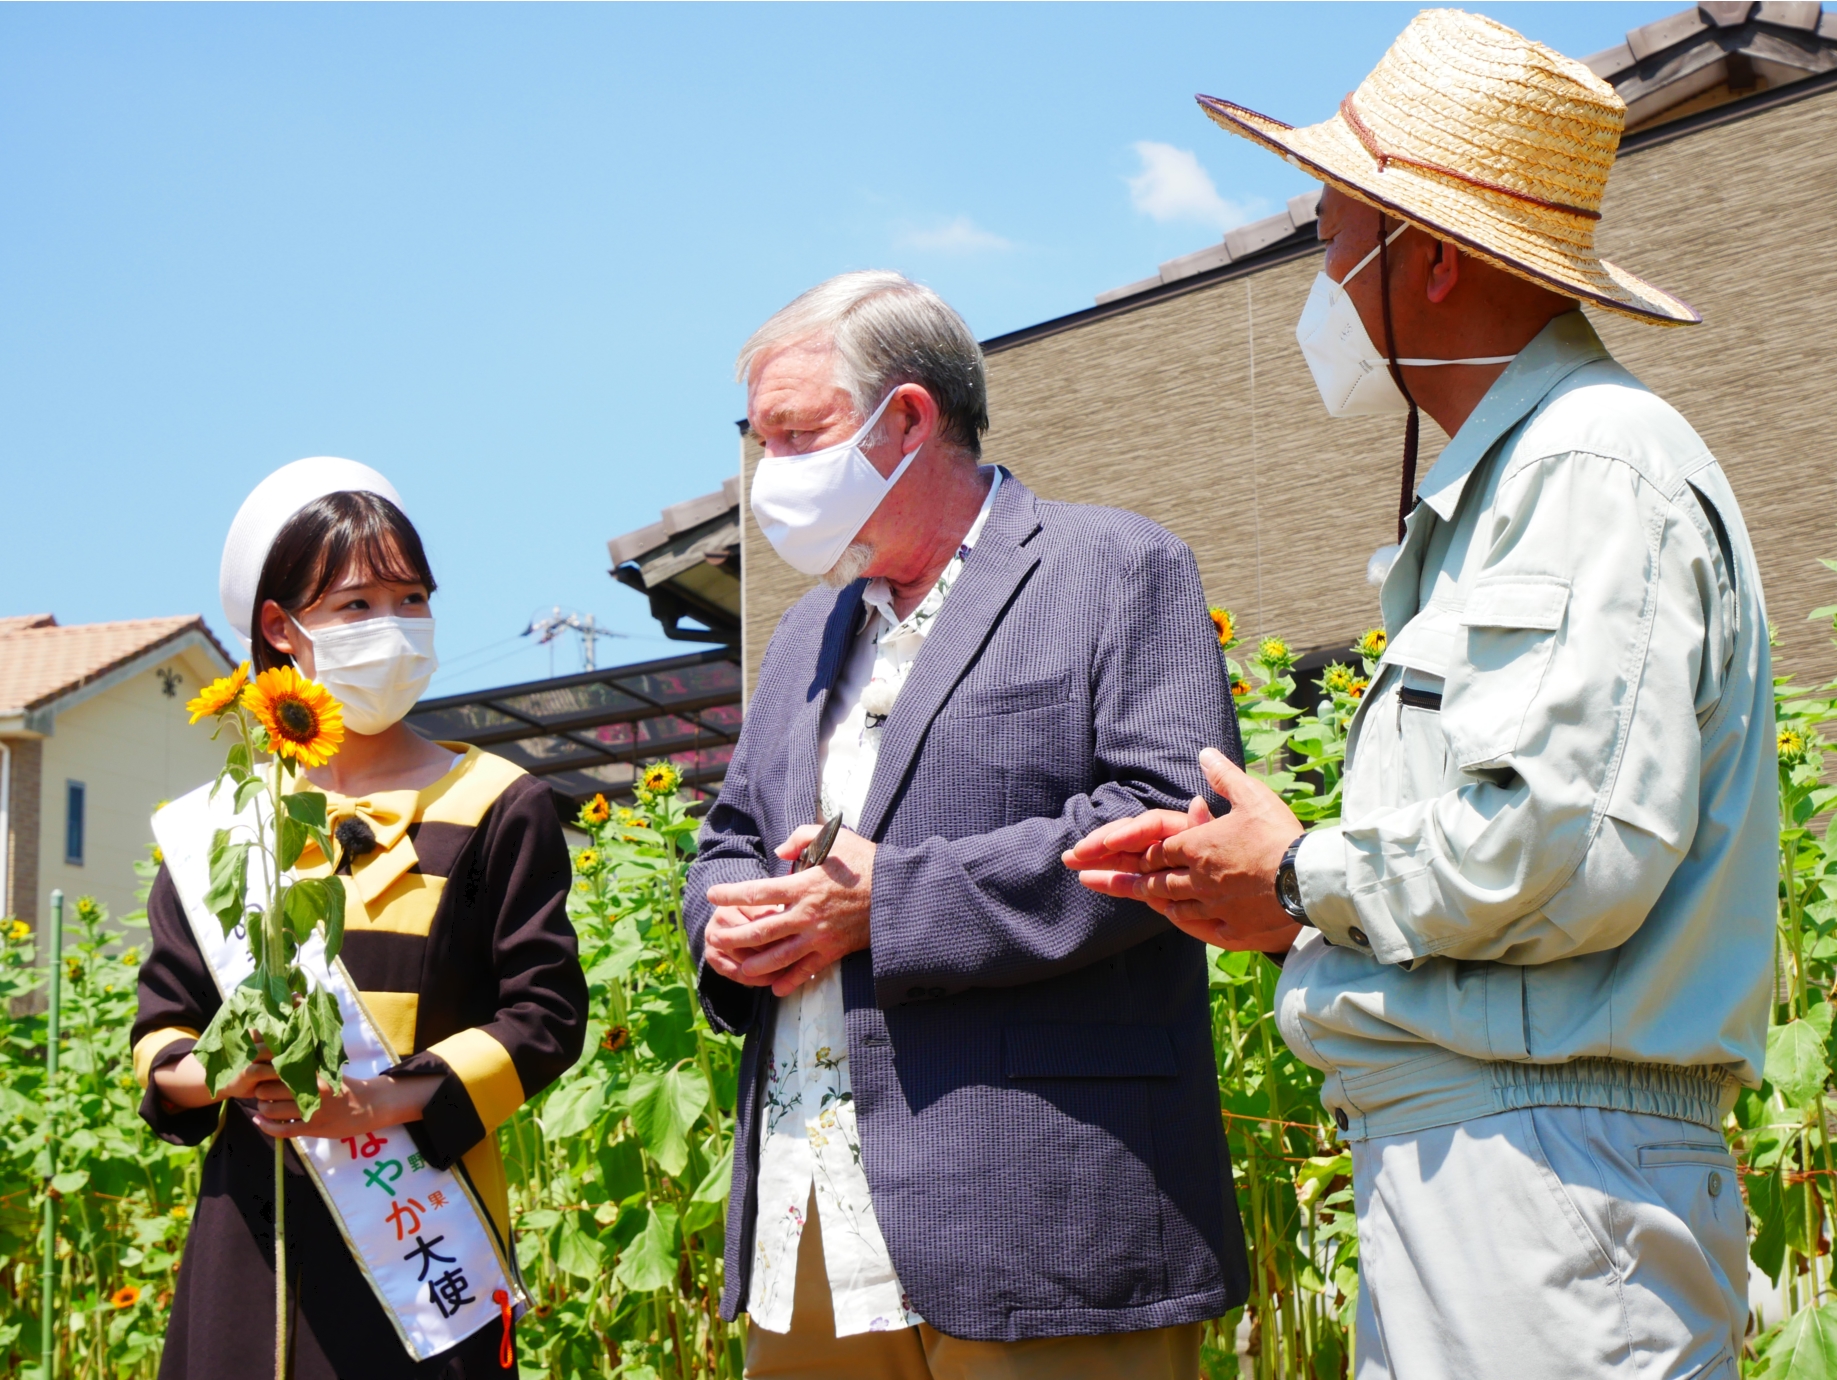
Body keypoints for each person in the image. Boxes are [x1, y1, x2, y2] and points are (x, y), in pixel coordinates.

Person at [1065, 12, 1775, 1379]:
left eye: (1334, 225)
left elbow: (1557, 853)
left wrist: (1299, 871)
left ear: (1434, 258)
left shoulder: (1588, 468)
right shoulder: (1524, 482)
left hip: (1543, 1182)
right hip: (1507, 1166)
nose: (1318, 265)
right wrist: (1286, 899)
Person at [687, 271, 1249, 1379]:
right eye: (760, 444)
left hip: (1041, 1204)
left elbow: (1161, 821)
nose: (772, 477)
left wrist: (885, 904)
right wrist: (728, 916)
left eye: (798, 436)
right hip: (810, 1205)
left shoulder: (1116, 567)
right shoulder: (806, 631)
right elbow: (730, 834)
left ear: (907, 419)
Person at [132, 457, 588, 1379]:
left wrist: (377, 1102)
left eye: (411, 598)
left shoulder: (499, 801)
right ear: (279, 629)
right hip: (251, 1236)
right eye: (356, 605)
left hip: (424, 1231)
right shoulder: (224, 825)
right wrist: (223, 1073)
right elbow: (161, 1031)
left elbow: (544, 1017)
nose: (394, 626)